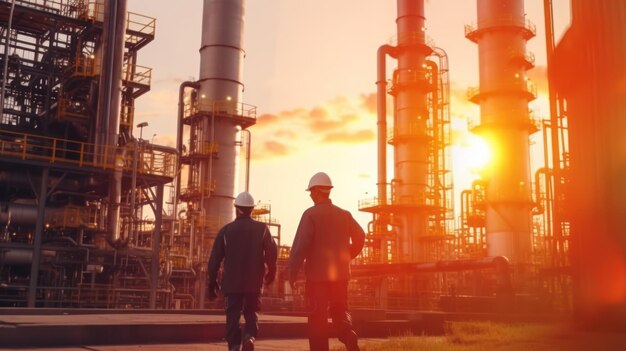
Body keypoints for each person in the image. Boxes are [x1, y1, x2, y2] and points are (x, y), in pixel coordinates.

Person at [288, 172, 365, 351]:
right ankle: (348, 334)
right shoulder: (344, 214)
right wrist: (347, 256)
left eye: (310, 191)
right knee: (340, 312)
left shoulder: (310, 215)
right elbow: (360, 236)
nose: (309, 195)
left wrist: (291, 274)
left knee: (317, 320)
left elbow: (300, 247)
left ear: (316, 192)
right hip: (340, 277)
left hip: (317, 280)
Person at [208, 191, 278, 351]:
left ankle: (234, 346)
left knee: (232, 314)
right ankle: (249, 337)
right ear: (251, 209)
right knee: (252, 311)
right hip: (254, 282)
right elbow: (272, 251)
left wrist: (212, 282)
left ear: (236, 209)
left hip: (232, 284)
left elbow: (214, 260)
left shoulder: (226, 231)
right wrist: (272, 271)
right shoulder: (262, 229)